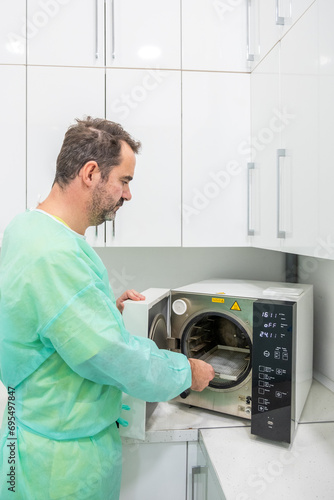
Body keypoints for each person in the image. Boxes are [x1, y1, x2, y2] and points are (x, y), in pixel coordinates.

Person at [0, 117, 214, 500]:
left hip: (27, 435)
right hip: (62, 467)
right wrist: (187, 371)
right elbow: (112, 356)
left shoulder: (28, 229)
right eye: (125, 181)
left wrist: (101, 312)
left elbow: (47, 322)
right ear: (91, 173)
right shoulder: (55, 255)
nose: (128, 195)